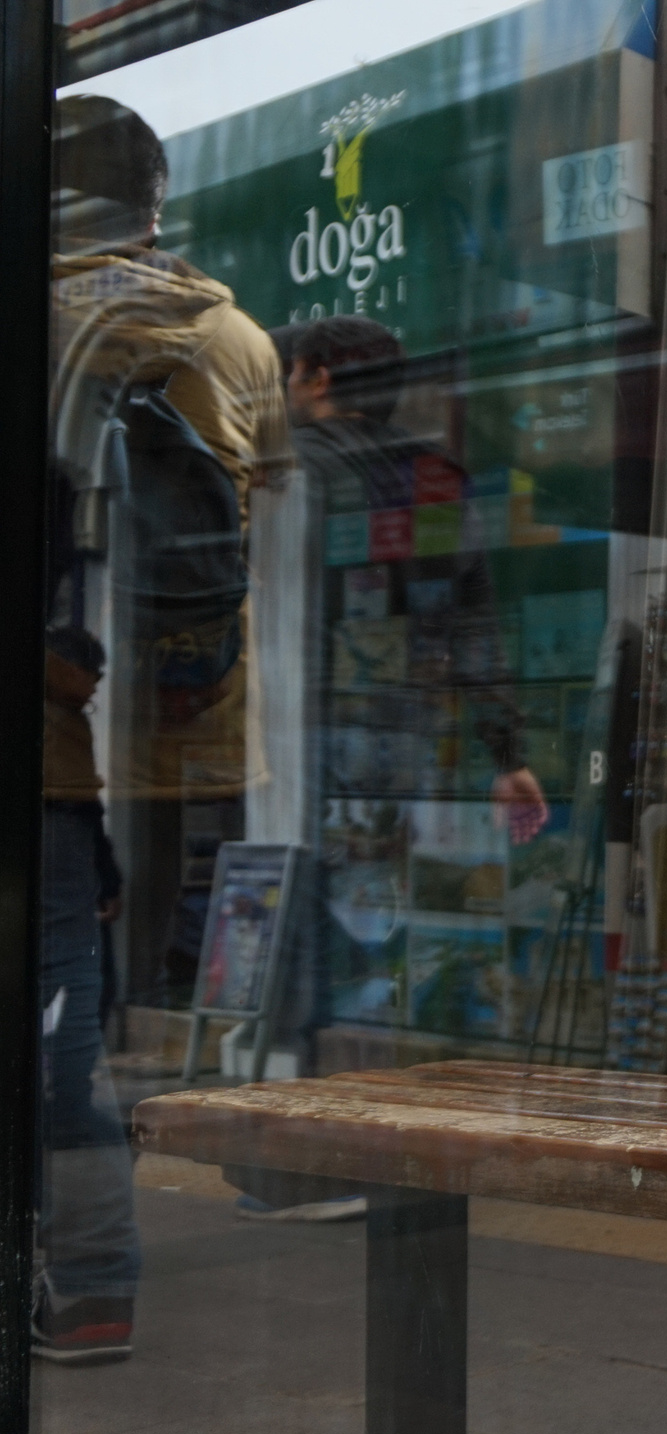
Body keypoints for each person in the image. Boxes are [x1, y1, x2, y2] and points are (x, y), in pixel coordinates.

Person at [40, 94, 293, 1360]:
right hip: (203, 741)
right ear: (156, 193)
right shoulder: (240, 337)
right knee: (127, 1012)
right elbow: (286, 545)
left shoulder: (39, 319)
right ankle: (103, 1266)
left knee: (62, 1016)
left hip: (56, 741)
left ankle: (86, 1274)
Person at [223, 314, 550, 1223]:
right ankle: (371, 1147)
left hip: (300, 745)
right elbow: (474, 618)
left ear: (315, 376)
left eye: (288, 373)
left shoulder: (291, 470)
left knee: (299, 945)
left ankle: (303, 1161)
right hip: (409, 751)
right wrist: (507, 755)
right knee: (377, 943)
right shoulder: (434, 477)